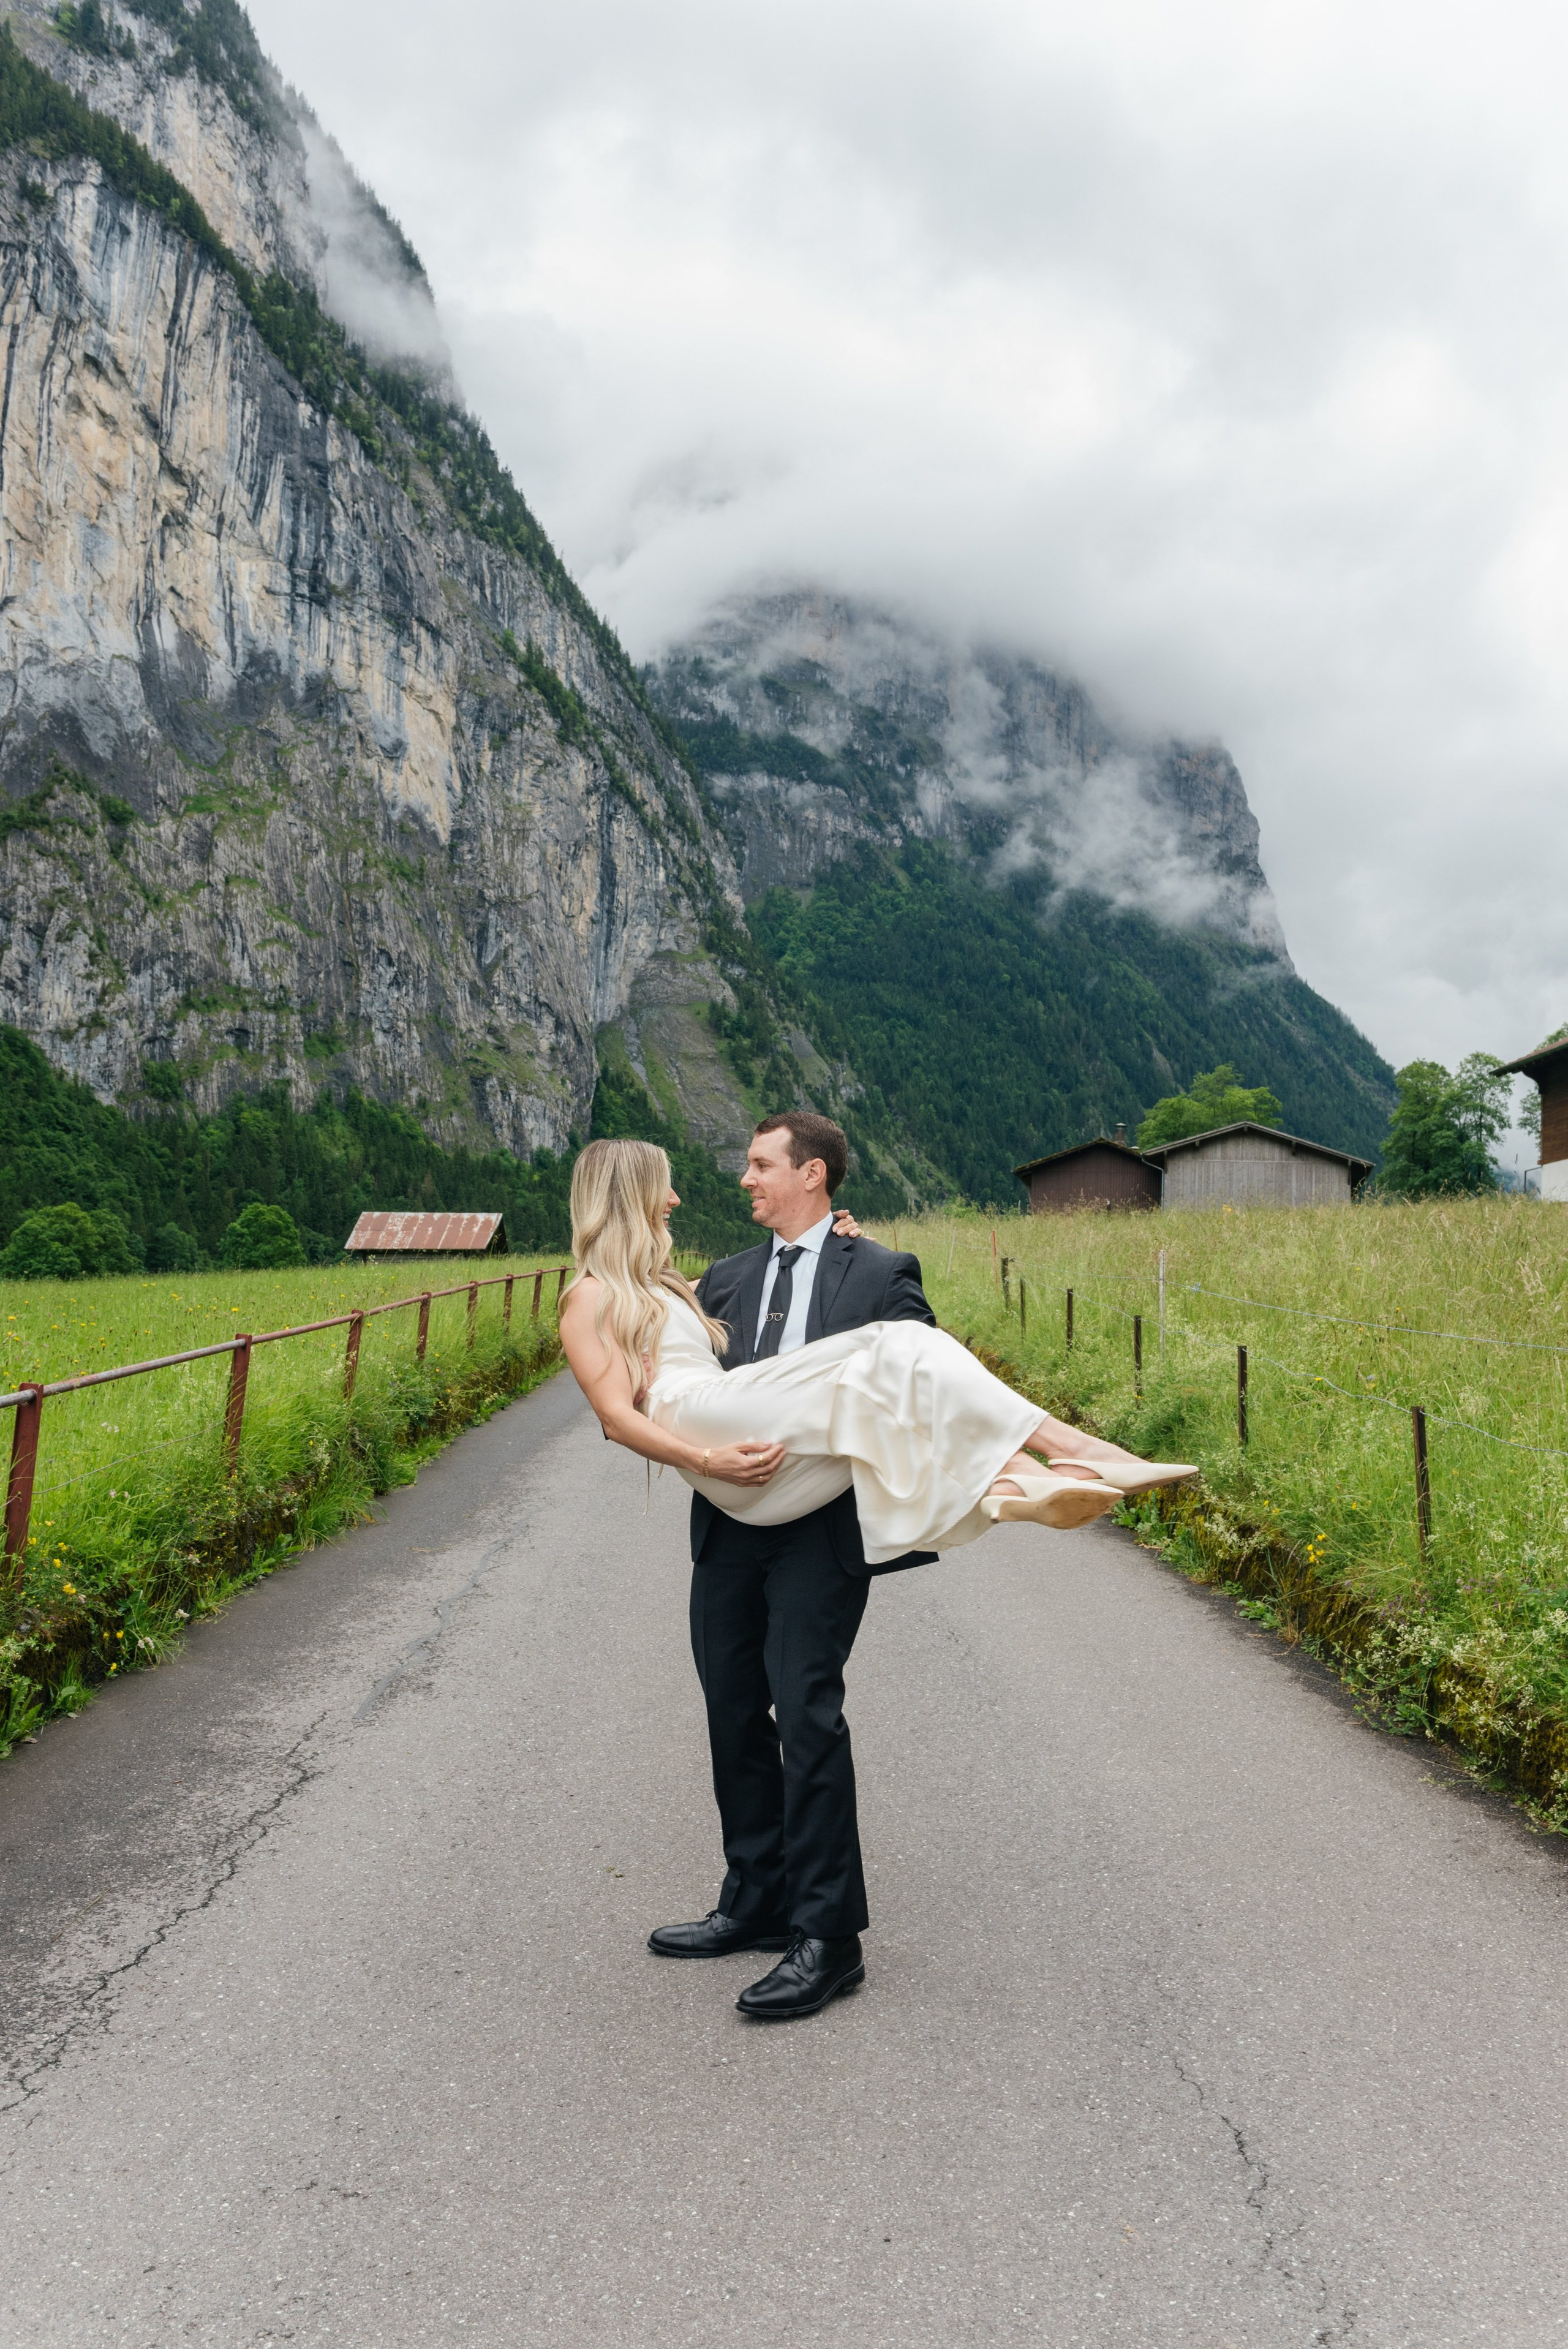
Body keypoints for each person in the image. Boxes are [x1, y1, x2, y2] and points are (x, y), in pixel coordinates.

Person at [557, 1120, 1195, 2023]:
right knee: (733, 1711)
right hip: (731, 1504)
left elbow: (927, 1389)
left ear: (812, 1177)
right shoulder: (715, 1278)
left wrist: (847, 1255)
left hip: (817, 1519)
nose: (733, 1183)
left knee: (806, 1708)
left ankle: (828, 1936)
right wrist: (704, 1463)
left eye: (760, 1166)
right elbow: (632, 1402)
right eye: (668, 1186)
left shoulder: (873, 1267)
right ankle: (755, 1898)